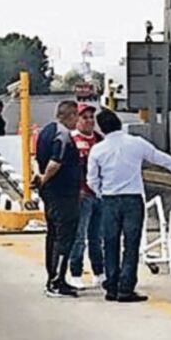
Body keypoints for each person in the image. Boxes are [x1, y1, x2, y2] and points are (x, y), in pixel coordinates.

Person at [87, 109, 171, 303]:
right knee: (131, 244)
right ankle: (126, 288)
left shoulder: (97, 150)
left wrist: (102, 193)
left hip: (109, 199)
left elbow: (91, 180)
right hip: (133, 199)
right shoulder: (136, 143)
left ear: (102, 128)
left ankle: (111, 286)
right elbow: (159, 157)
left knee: (110, 243)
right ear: (118, 123)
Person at [34, 100, 81, 298]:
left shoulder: (46, 131)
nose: (78, 120)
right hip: (62, 194)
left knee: (52, 236)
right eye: (76, 116)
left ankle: (52, 277)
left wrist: (40, 179)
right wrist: (45, 178)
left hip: (51, 194)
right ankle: (57, 282)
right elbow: (55, 162)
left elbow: (37, 158)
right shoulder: (62, 135)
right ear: (69, 116)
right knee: (65, 237)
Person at [68, 103, 104, 290]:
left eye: (91, 117)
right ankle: (75, 273)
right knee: (79, 237)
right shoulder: (71, 140)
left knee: (97, 237)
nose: (89, 121)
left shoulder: (99, 140)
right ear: (77, 119)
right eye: (85, 117)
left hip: (99, 195)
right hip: (82, 196)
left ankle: (99, 272)